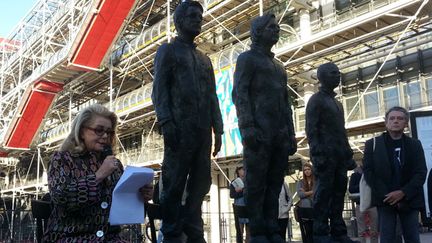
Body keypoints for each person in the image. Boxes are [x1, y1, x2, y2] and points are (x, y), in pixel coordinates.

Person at [151, 1, 223, 242]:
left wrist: (219, 130)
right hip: (179, 129)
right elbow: (159, 90)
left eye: (200, 16)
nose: (197, 19)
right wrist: (166, 122)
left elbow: (213, 96)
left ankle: (193, 226)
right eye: (192, 15)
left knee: (201, 182)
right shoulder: (167, 51)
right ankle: (171, 230)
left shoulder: (205, 60)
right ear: (179, 21)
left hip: (203, 131)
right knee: (174, 181)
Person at [43, 104, 153, 242]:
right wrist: (98, 176)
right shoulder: (62, 159)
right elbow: (61, 198)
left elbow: (122, 209)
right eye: (99, 130)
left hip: (111, 238)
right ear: (81, 131)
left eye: (109, 132)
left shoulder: (115, 165)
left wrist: (139, 196)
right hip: (70, 238)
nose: (105, 136)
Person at [232, 13, 297, 243]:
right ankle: (258, 231)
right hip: (258, 134)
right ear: (258, 32)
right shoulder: (247, 59)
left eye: (277, 27)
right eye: (271, 27)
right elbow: (239, 94)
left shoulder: (279, 68)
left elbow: (286, 103)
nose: (276, 30)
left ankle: (271, 228)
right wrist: (247, 126)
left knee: (275, 184)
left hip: (279, 135)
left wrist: (291, 133)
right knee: (257, 184)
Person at [305, 62, 357, 243]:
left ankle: (338, 231)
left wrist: (348, 154)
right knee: (323, 193)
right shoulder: (316, 100)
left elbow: (341, 131)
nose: (338, 75)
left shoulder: (337, 103)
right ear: (322, 77)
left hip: (339, 156)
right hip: (324, 157)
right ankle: (320, 232)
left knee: (338, 194)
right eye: (333, 73)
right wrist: (317, 154)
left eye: (338, 72)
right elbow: (311, 129)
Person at [363, 106, 427, 243]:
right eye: (392, 118)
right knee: (387, 238)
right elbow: (369, 172)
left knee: (412, 238)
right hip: (385, 200)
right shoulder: (372, 144)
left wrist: (403, 192)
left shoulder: (415, 144)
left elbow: (420, 172)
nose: (396, 121)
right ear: (386, 122)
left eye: (400, 118)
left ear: (406, 123)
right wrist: (387, 195)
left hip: (410, 199)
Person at [348, 166, 378, 243]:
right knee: (361, 231)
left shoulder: (373, 173)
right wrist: (363, 186)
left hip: (372, 203)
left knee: (374, 230)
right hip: (360, 203)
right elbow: (351, 189)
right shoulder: (355, 175)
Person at [230, 163, 249, 243]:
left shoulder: (248, 181)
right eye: (241, 169)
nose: (243, 171)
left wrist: (241, 190)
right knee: (239, 230)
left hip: (248, 206)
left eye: (244, 169)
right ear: (238, 171)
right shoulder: (234, 182)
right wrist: (242, 191)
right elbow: (232, 195)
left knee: (249, 230)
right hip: (238, 207)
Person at [296, 163, 314, 243]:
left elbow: (318, 192)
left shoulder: (316, 181)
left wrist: (306, 192)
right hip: (304, 210)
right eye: (305, 170)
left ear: (312, 170)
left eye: (308, 169)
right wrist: (311, 192)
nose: (307, 171)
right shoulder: (300, 182)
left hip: (315, 209)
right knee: (306, 232)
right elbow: (300, 194)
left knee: (315, 232)